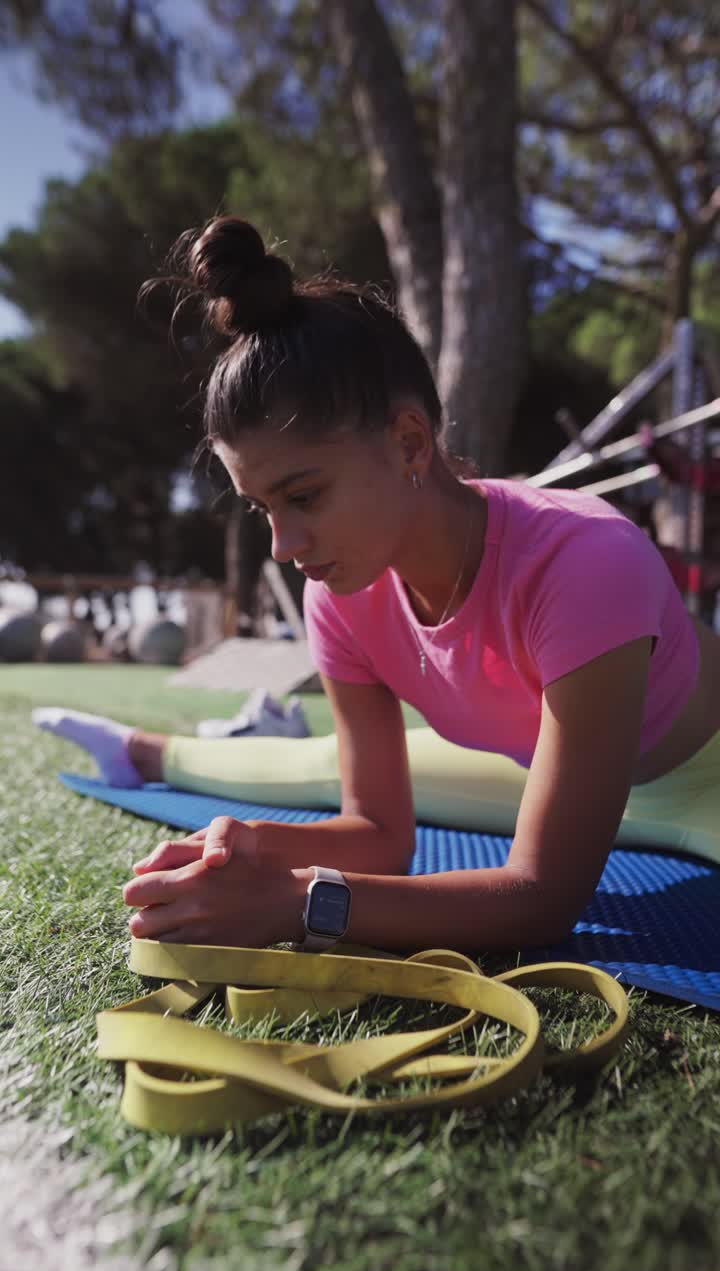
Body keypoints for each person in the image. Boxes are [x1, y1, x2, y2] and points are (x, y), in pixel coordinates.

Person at [34, 217, 720, 956]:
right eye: (262, 507)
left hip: (702, 781)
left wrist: (298, 902)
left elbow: (541, 901)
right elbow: (380, 834)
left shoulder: (583, 562)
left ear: (409, 443)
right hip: (543, 766)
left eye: (304, 496)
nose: (284, 545)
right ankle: (138, 750)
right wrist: (246, 851)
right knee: (319, 763)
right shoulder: (337, 592)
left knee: (315, 766)